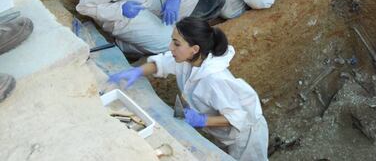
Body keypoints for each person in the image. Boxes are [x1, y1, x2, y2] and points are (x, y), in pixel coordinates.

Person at [108, 17, 269, 161]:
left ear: (195, 49)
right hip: (224, 133)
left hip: (246, 136)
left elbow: (237, 117)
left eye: (176, 43)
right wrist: (137, 71)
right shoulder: (187, 60)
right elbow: (163, 62)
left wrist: (201, 120)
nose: (170, 47)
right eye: (172, 40)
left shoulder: (215, 79)